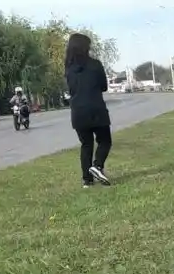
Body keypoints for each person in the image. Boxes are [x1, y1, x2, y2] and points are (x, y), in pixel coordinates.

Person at [64, 32, 112, 188]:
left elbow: (71, 90)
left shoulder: (69, 69)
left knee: (86, 145)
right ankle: (97, 166)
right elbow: (104, 87)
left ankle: (87, 181)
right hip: (96, 108)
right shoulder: (95, 64)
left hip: (78, 112)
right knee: (105, 141)